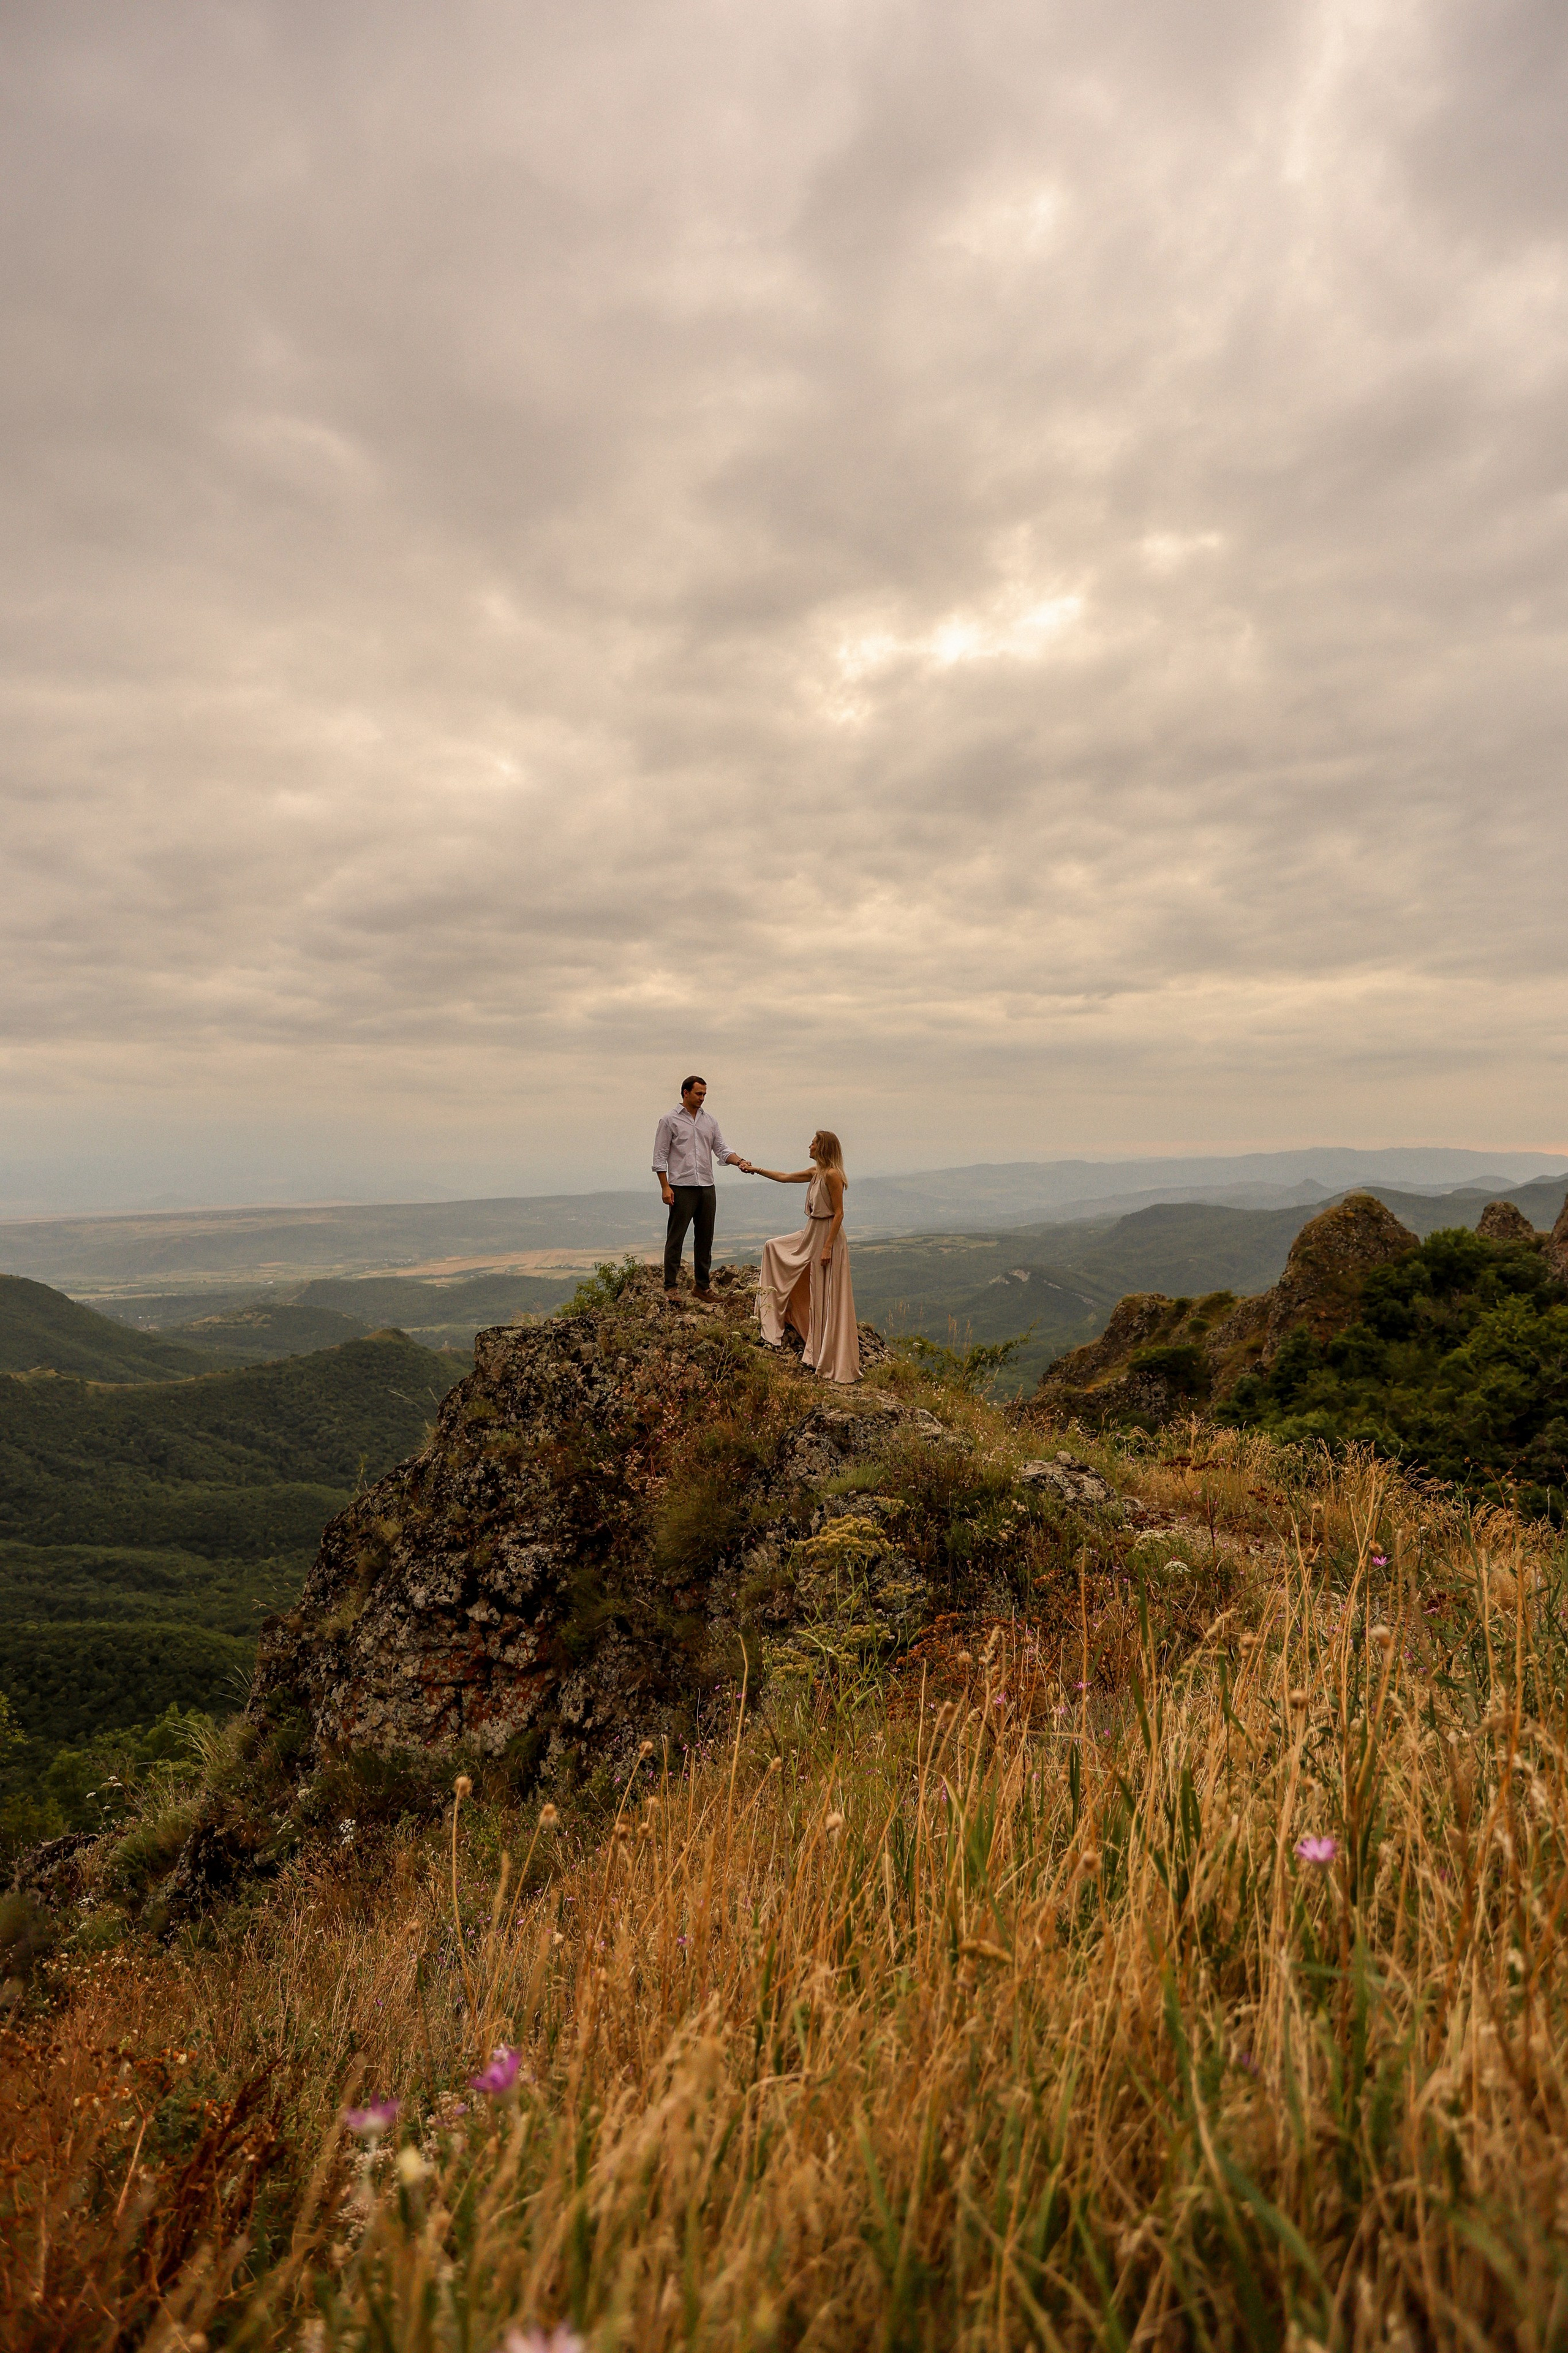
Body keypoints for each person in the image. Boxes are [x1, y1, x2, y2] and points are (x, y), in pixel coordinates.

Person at [745, 1129, 860, 1383]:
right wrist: (757, 1170)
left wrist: (828, 1247)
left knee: (824, 1290)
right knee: (773, 1247)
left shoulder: (832, 1176)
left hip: (828, 1235)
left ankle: (824, 1352)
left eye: (813, 1143)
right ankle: (779, 1311)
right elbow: (785, 1177)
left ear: (823, 1147)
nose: (809, 1146)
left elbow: (839, 1213)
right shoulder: (816, 1172)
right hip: (812, 1232)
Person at [652, 1075, 747, 1297]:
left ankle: (702, 1287)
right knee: (676, 1238)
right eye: (698, 1094)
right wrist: (665, 1187)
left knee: (705, 1238)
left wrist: (740, 1161)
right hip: (681, 1186)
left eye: (704, 1094)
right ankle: (671, 1287)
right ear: (685, 1093)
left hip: (707, 1185)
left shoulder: (709, 1121)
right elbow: (660, 1156)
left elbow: (721, 1149)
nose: (702, 1098)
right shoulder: (669, 1120)